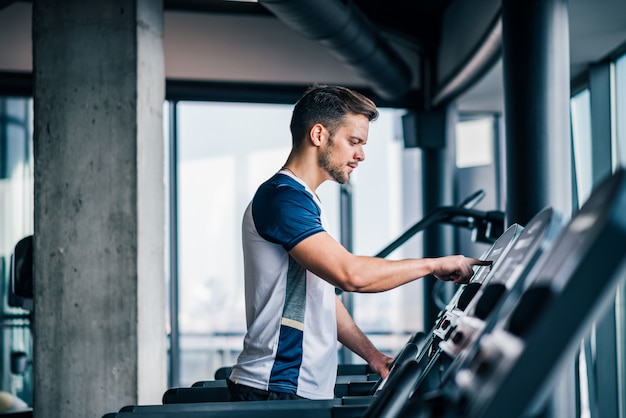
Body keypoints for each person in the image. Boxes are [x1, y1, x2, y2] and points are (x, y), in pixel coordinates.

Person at [227, 85, 491, 401]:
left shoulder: (300, 200)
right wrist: (434, 264)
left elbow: (322, 297)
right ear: (319, 135)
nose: (361, 155)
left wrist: (373, 355)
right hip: (277, 386)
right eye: (354, 142)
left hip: (293, 387)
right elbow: (351, 275)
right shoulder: (282, 199)